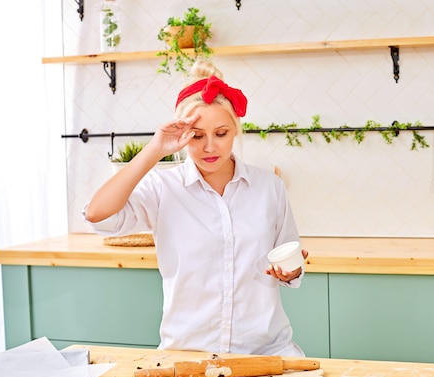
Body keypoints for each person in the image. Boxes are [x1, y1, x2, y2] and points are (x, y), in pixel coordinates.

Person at [83, 60, 308, 357]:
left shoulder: (269, 187)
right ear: (181, 136)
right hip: (188, 355)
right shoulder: (163, 189)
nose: (210, 147)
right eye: (197, 136)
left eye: (221, 133)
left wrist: (290, 272)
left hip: (266, 353)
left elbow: (290, 262)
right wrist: (155, 149)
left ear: (235, 131)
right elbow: (98, 214)